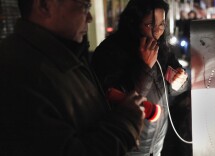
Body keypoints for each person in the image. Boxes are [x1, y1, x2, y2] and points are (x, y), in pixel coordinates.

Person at [0, 0, 146, 155]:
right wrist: (126, 123)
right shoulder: (18, 71)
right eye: (84, 6)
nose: (89, 17)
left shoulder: (66, 54)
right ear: (44, 6)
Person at [91, 0, 189, 155]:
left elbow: (177, 84)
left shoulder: (162, 48)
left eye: (161, 25)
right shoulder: (110, 52)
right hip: (130, 145)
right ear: (133, 23)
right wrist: (144, 67)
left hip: (157, 143)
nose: (157, 32)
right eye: (150, 25)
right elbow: (118, 100)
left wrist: (179, 83)